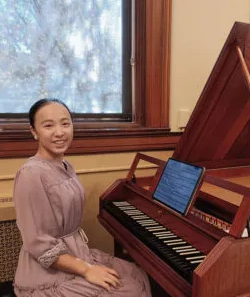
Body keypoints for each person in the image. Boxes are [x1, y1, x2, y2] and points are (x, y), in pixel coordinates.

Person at [13, 98, 151, 297]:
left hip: (77, 254)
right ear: (34, 131)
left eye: (65, 123)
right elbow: (38, 243)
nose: (60, 132)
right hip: (47, 271)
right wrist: (87, 270)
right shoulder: (30, 174)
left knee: (136, 273)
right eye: (48, 125)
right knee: (128, 290)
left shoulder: (65, 166)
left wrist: (86, 263)